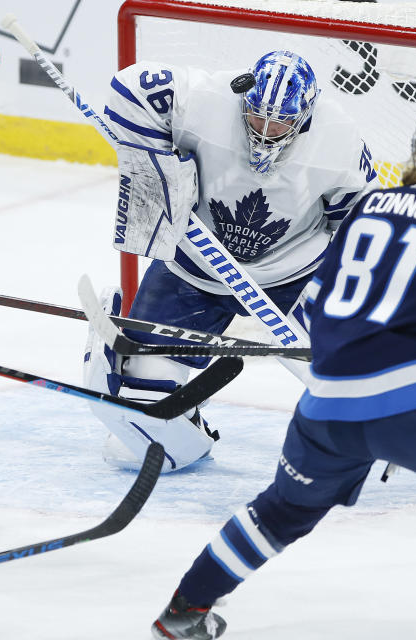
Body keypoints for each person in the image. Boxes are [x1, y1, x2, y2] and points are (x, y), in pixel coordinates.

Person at [149, 100, 416, 640]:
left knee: (280, 514)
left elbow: (313, 311)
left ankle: (183, 612)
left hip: (325, 403)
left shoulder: (371, 207)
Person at [84, 50, 378, 472]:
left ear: (305, 117)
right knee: (137, 427)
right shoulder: (204, 99)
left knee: (350, 378)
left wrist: (347, 300)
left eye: (279, 123)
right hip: (194, 266)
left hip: (293, 273)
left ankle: (386, 415)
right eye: (256, 117)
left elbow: (359, 226)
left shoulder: (340, 142)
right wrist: (156, 170)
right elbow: (129, 87)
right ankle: (185, 416)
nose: (264, 131)